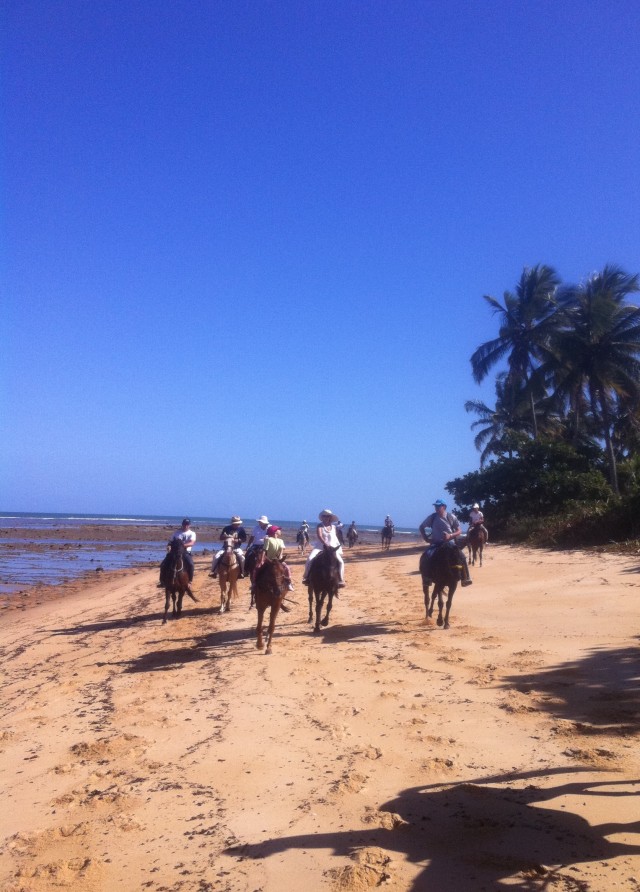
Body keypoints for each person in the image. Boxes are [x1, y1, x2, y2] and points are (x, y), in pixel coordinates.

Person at [419, 499, 472, 587]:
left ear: (444, 507)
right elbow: (421, 527)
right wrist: (426, 538)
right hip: (436, 543)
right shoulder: (432, 517)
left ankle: (465, 578)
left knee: (462, 556)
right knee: (426, 555)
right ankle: (427, 578)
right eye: (435, 506)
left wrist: (450, 535)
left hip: (450, 543)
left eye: (438, 506)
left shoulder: (451, 517)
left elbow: (459, 531)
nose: (436, 508)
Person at [302, 509, 346, 587]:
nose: (326, 517)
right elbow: (319, 535)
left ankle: (341, 580)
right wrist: (325, 544)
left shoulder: (334, 527)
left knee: (341, 562)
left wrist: (334, 546)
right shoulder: (320, 526)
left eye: (327, 516)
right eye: (324, 516)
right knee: (310, 559)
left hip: (332, 548)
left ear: (330, 517)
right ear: (322, 517)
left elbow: (334, 538)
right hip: (320, 547)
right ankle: (307, 577)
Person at [255, 525, 294, 610]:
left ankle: (289, 582)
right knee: (258, 568)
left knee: (286, 568)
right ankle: (254, 583)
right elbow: (264, 550)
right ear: (275, 531)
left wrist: (280, 560)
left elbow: (281, 551)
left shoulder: (280, 541)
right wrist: (262, 560)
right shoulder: (268, 540)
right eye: (279, 530)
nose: (280, 531)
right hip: (269, 560)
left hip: (277, 560)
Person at [158, 518, 196, 587]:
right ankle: (162, 581)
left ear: (189, 525)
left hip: (185, 552)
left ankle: (190, 581)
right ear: (182, 524)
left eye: (187, 525)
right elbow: (170, 541)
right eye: (184, 524)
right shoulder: (177, 533)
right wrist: (169, 546)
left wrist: (181, 546)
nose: (185, 526)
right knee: (163, 564)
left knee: (191, 564)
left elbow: (192, 543)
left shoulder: (192, 533)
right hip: (174, 552)